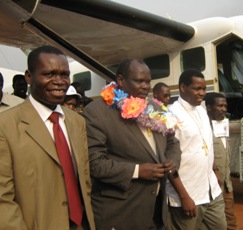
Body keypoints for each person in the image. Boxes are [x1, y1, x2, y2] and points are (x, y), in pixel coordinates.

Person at [0, 45, 95, 230]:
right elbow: (3, 200)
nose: (59, 81)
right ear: (29, 76)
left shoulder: (77, 122)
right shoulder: (6, 125)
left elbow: (84, 180)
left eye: (64, 75)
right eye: (49, 74)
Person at [82, 58, 181, 230]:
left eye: (148, 82)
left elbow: (172, 141)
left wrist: (172, 161)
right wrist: (137, 171)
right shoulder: (96, 112)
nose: (146, 86)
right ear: (120, 80)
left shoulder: (155, 108)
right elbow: (94, 163)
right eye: (139, 81)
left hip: (156, 212)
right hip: (121, 213)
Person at [166, 69, 227, 230]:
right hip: (188, 194)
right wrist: (184, 197)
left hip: (211, 189)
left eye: (204, 89)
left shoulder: (201, 110)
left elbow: (205, 143)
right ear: (183, 87)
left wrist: (215, 171)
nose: (202, 93)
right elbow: (168, 162)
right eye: (197, 89)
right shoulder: (172, 115)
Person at [205, 92, 238, 230]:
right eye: (220, 106)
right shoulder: (203, 128)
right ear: (209, 107)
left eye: (225, 105)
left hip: (226, 183)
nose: (224, 109)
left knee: (231, 219)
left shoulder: (223, 125)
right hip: (211, 185)